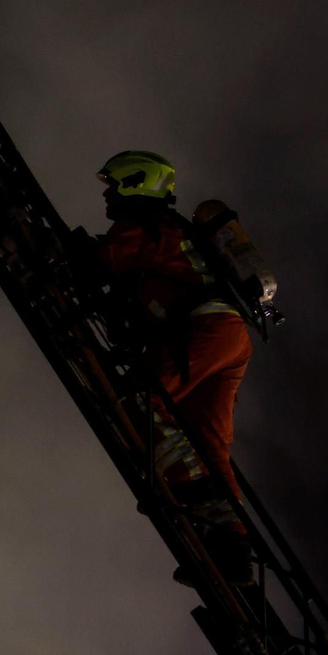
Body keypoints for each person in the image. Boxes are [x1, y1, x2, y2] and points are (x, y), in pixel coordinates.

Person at [93, 150, 259, 581]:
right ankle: (234, 550)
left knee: (139, 404)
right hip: (228, 335)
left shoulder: (142, 229)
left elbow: (98, 265)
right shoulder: (173, 228)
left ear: (135, 183)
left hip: (201, 331)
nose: (108, 194)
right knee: (209, 442)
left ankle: (191, 493)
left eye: (113, 184)